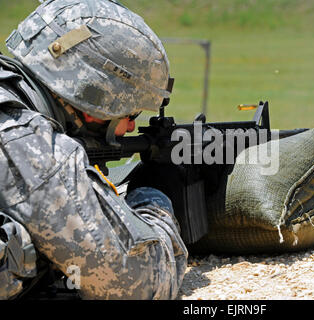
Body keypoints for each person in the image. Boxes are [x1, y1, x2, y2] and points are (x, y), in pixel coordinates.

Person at [0, 0, 187, 299]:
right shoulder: (29, 146)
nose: (128, 129)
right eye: (131, 114)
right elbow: (138, 282)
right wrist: (154, 199)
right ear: (94, 97)